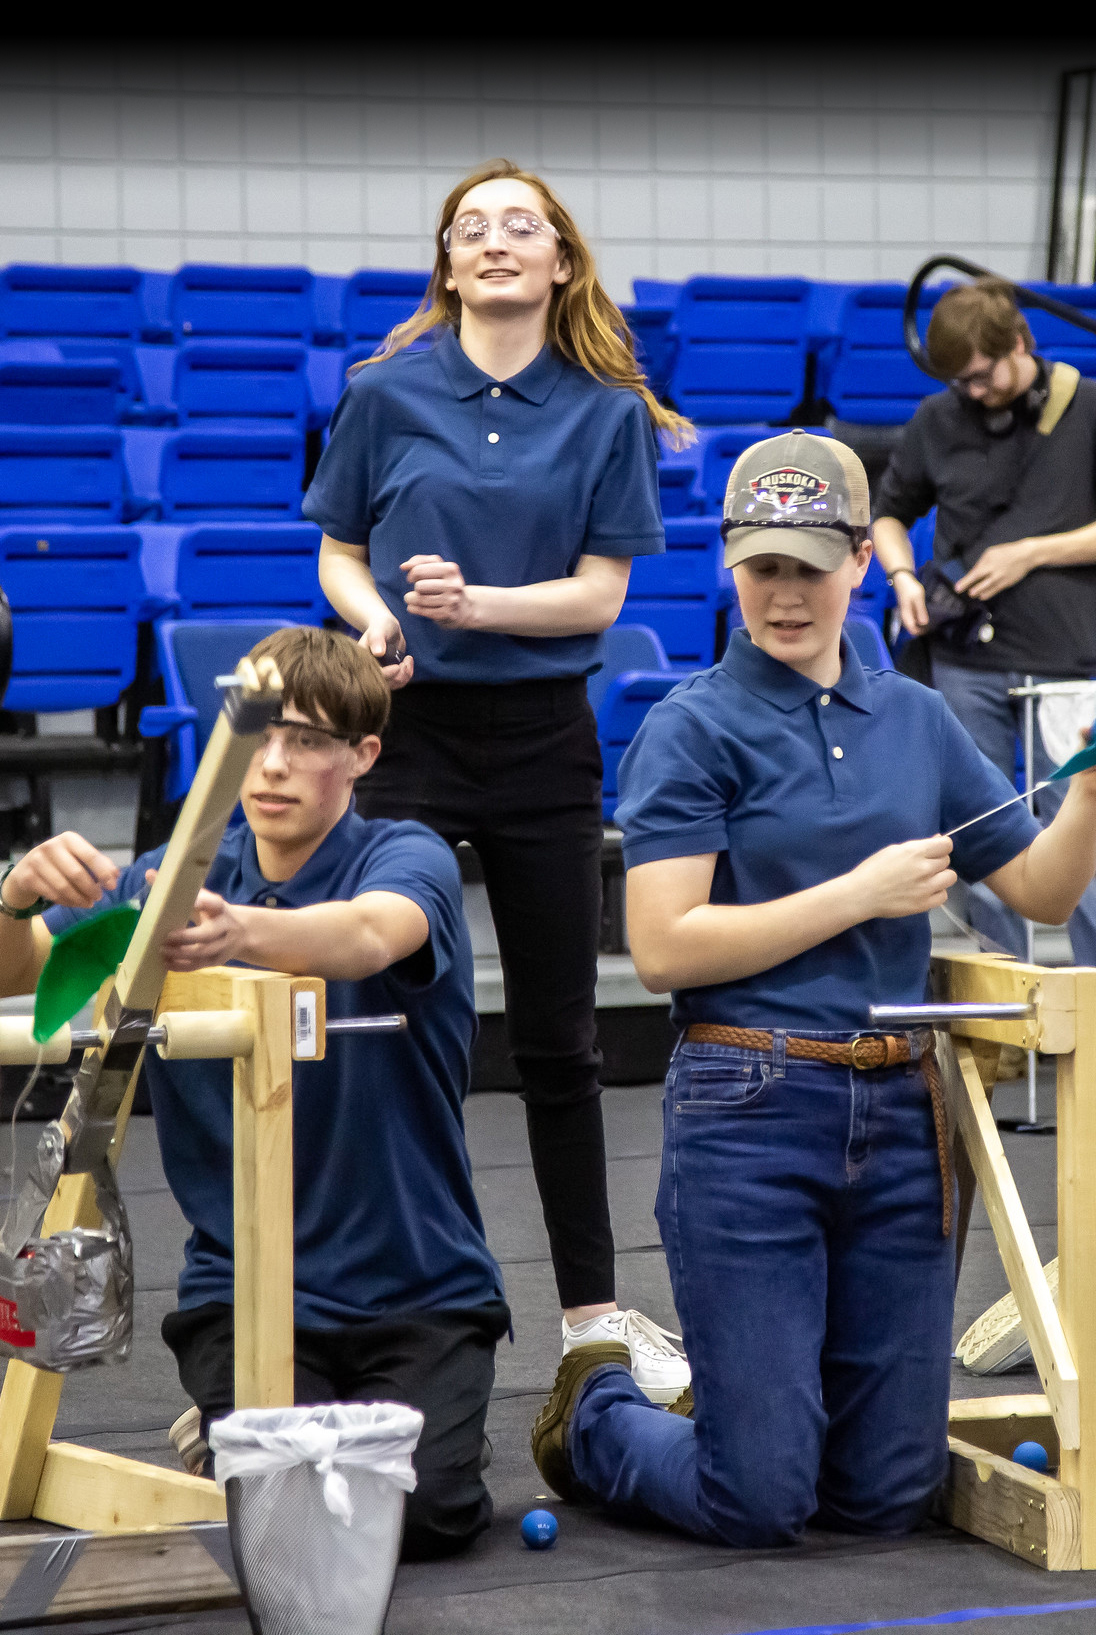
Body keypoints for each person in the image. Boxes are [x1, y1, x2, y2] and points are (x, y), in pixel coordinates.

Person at [528, 431, 1096, 1546]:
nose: (784, 594)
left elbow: (1045, 894)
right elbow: (664, 950)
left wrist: (1093, 794)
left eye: (809, 566)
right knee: (758, 1499)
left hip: (906, 1116)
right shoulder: (690, 728)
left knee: (880, 1500)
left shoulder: (914, 719)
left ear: (860, 561)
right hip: (745, 1102)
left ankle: (750, 1413)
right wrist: (858, 893)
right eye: (762, 567)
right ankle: (600, 1406)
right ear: (727, 566)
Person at [0, 626, 508, 1559]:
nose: (275, 765)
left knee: (424, 1518)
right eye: (257, 738)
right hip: (242, 1288)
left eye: (308, 740)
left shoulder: (408, 856)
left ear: (362, 756)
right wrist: (13, 895)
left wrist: (236, 932)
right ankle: (230, 1424)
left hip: (419, 1285)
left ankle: (289, 1435)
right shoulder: (165, 883)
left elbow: (371, 936)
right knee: (290, 1515)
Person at [303, 160, 693, 1401]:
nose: (493, 242)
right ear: (449, 263)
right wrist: (371, 621)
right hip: (404, 735)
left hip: (541, 743)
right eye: (469, 229)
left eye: (519, 226)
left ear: (561, 261)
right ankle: (365, 1291)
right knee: (384, 1029)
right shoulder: (384, 390)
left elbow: (600, 596)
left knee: (560, 1044)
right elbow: (337, 553)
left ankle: (591, 1311)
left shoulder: (607, 408)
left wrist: (482, 606)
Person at [871, 273, 1096, 981]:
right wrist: (903, 577)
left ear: (1021, 343)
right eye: (958, 381)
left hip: (1061, 659)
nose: (972, 391)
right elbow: (886, 514)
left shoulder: (1091, 406)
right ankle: (1006, 1007)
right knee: (980, 842)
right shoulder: (937, 418)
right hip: (965, 661)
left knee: (1079, 837)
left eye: (982, 375)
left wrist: (1031, 552)